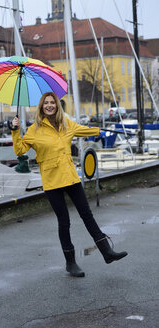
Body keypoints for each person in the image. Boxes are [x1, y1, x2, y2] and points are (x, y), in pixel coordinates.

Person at [12, 92, 128, 278]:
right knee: (64, 222)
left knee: (87, 215)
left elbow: (85, 130)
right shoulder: (34, 130)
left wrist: (105, 131)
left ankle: (106, 252)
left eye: (52, 103)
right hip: (52, 181)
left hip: (71, 177)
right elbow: (20, 149)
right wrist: (15, 130)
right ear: (41, 106)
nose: (49, 105)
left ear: (57, 105)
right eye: (46, 103)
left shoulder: (66, 124)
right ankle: (71, 262)